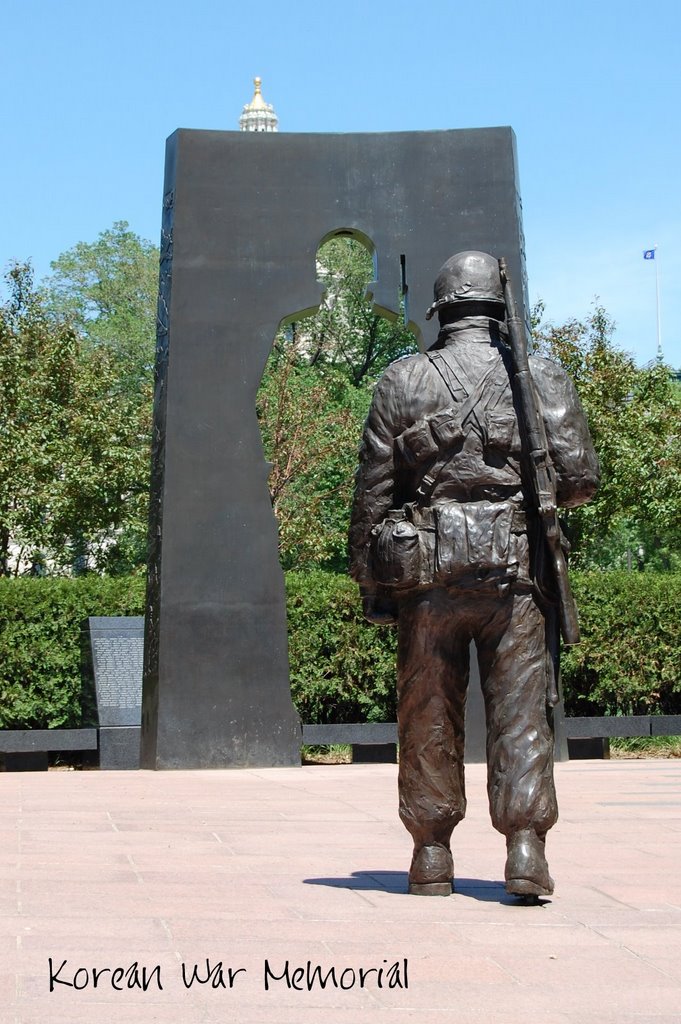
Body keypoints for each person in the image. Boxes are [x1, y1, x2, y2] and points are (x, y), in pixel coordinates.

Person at [349, 251, 599, 898]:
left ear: (442, 309)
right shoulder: (539, 376)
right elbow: (580, 482)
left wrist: (374, 590)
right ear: (498, 306)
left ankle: (430, 854)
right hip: (514, 574)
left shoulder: (401, 381)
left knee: (425, 711)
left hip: (426, 579)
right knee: (520, 713)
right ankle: (523, 849)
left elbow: (371, 500)